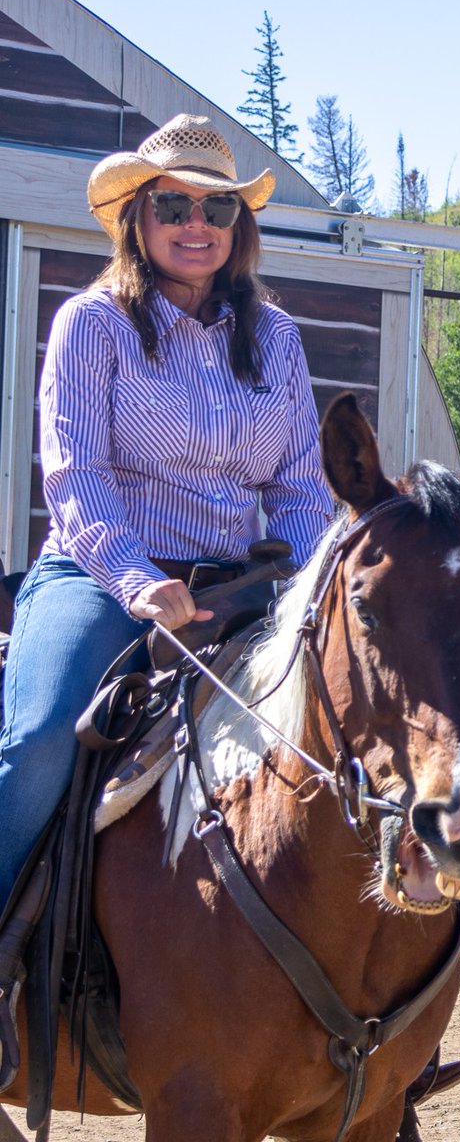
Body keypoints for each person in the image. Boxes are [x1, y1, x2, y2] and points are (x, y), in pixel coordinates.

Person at [0, 114, 335, 1083]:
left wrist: (316, 593)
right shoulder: (92, 324)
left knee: (348, 734)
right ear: (137, 216)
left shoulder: (273, 337)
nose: (197, 224)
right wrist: (142, 582)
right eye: (174, 205)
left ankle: (369, 1015)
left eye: (216, 207)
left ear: (238, 224)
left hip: (243, 584)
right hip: (105, 575)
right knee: (44, 738)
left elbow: (303, 490)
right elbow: (75, 475)